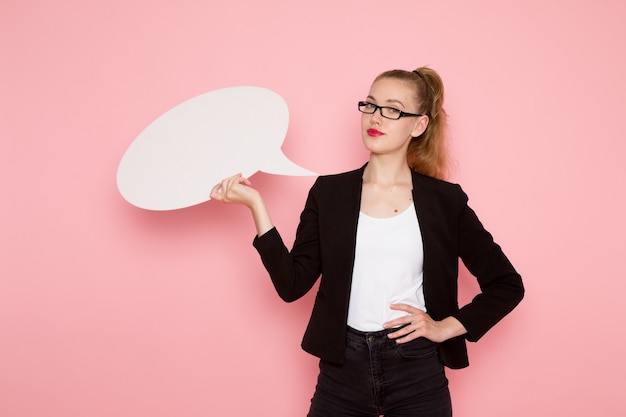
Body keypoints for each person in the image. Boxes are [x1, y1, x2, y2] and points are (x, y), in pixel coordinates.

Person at [210, 67, 524, 417]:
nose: (376, 117)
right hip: (342, 368)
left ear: (418, 125)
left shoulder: (444, 201)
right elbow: (291, 285)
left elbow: (507, 285)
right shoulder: (329, 193)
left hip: (417, 370)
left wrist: (445, 327)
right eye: (370, 105)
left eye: (393, 109)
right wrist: (256, 206)